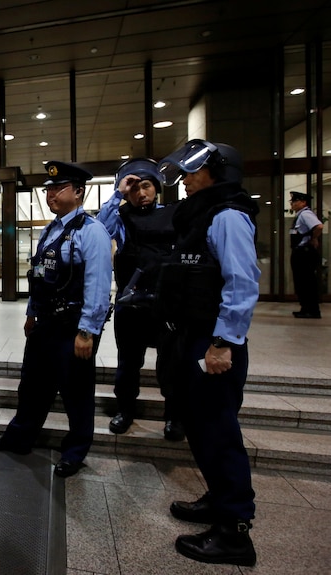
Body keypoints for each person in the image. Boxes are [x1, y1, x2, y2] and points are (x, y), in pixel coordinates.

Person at [156, 139, 260, 566]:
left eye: (192, 172)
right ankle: (219, 500)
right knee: (200, 428)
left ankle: (235, 532)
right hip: (192, 337)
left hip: (213, 342)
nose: (183, 180)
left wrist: (223, 343)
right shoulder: (198, 217)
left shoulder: (228, 216)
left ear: (217, 173)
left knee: (219, 433)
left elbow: (241, 284)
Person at [0, 161, 112, 479]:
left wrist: (88, 330)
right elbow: (39, 276)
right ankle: (20, 438)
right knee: (31, 386)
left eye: (58, 188)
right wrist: (31, 313)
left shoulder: (92, 232)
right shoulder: (52, 230)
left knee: (76, 393)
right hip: (45, 325)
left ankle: (75, 451)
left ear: (78, 192)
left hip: (73, 328)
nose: (50, 193)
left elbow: (97, 285)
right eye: (49, 189)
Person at [97, 158, 183, 441]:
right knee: (128, 364)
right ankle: (125, 410)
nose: (140, 193)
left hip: (168, 304)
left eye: (145, 186)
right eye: (133, 188)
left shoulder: (176, 214)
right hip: (131, 305)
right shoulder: (121, 217)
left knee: (171, 365)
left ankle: (174, 416)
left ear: (156, 189)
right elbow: (99, 233)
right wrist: (117, 195)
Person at [289, 191, 323, 319]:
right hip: (300, 252)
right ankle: (305, 308)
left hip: (305, 252)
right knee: (301, 282)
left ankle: (312, 310)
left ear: (303, 202)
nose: (293, 204)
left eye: (295, 201)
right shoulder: (300, 215)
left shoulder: (306, 214)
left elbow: (319, 226)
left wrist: (313, 238)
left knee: (307, 282)